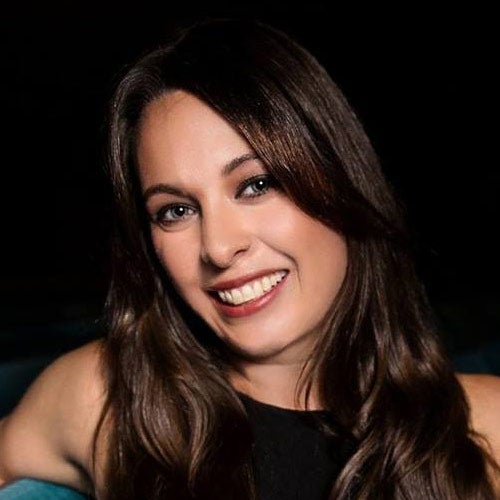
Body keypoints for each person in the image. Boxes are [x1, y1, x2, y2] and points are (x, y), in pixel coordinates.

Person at [0, 18, 499, 500]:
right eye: (175, 210)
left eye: (256, 185)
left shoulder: (486, 428)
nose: (218, 247)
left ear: (341, 178)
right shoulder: (107, 398)